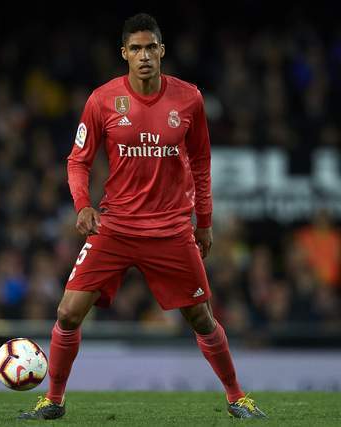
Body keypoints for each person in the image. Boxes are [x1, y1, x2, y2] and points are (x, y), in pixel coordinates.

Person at [19, 13, 266, 420]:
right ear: (124, 54)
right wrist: (82, 205)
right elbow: (78, 160)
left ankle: (237, 397)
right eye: (136, 48)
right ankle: (54, 401)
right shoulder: (102, 100)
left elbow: (201, 164)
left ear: (162, 50)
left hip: (170, 228)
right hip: (115, 226)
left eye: (151, 47)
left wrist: (204, 222)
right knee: (67, 312)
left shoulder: (189, 99)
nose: (144, 55)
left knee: (202, 318)